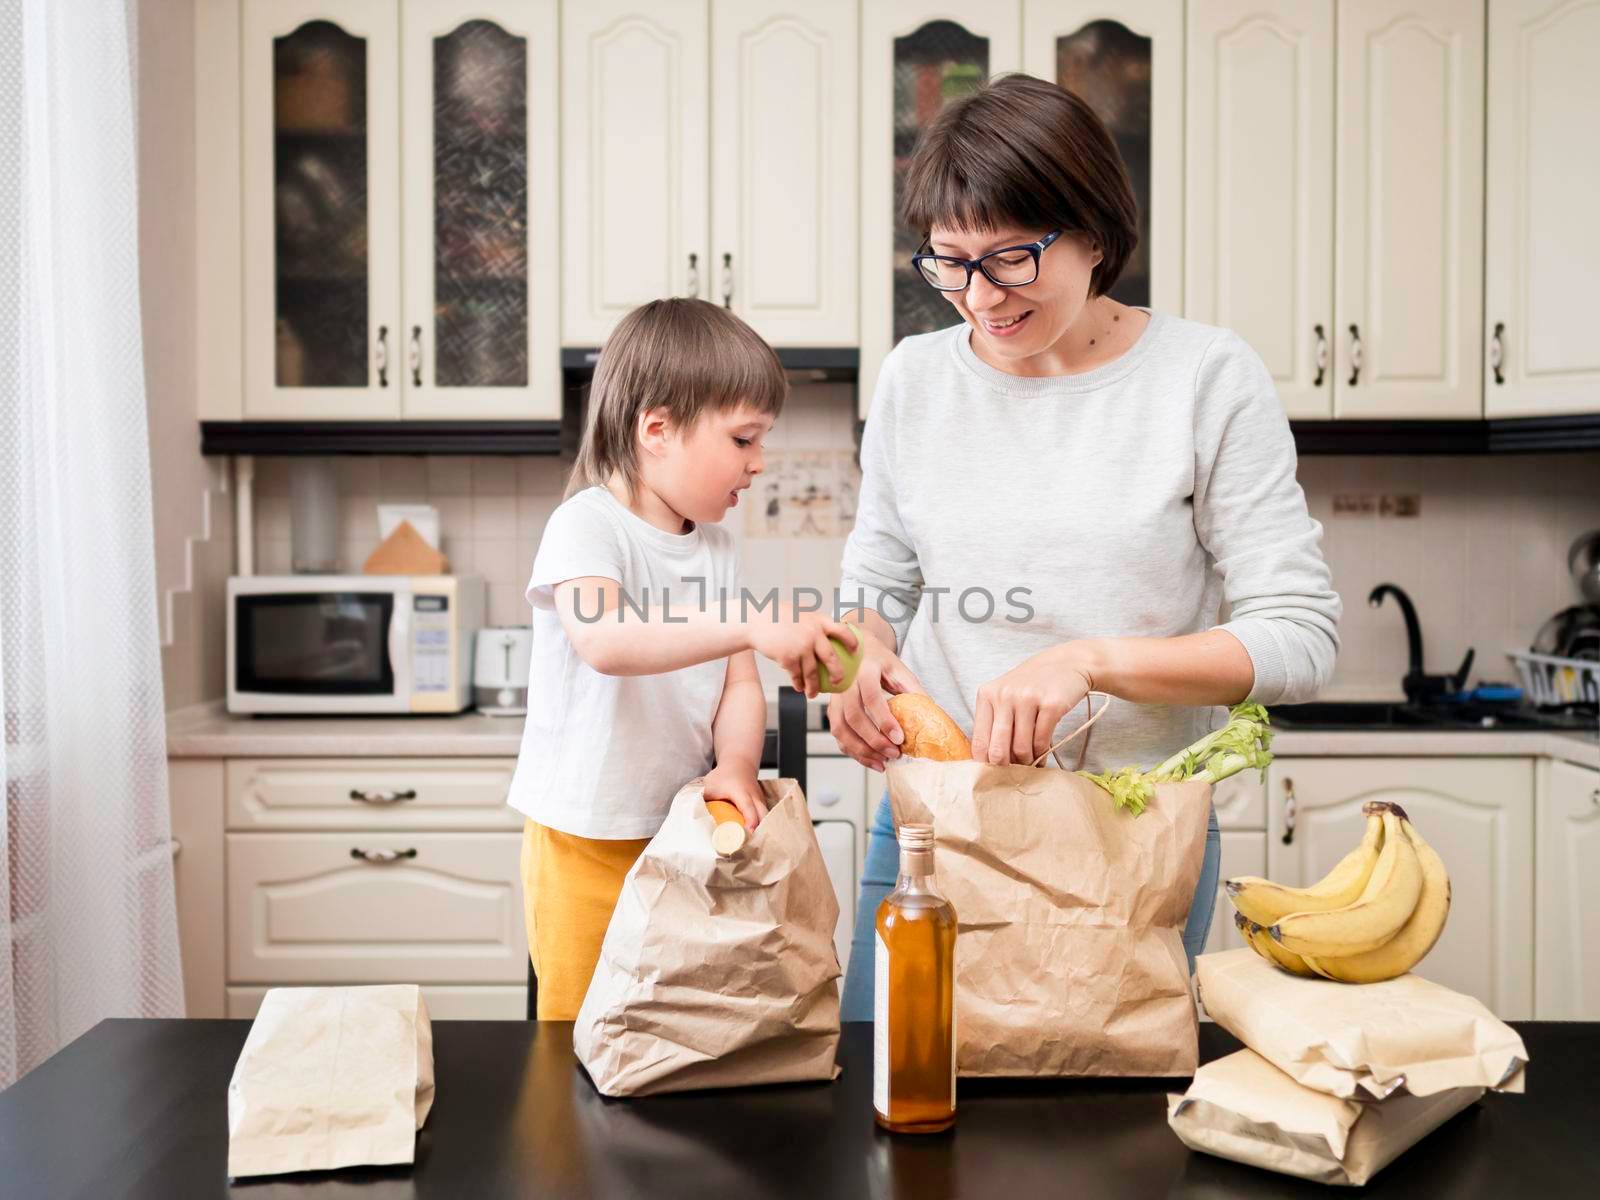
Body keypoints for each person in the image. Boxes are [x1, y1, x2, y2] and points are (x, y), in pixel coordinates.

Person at [830, 75, 1341, 1020]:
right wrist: (859, 658)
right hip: (935, 826)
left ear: (1096, 234)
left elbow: (1301, 637)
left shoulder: (1203, 376)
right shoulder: (914, 379)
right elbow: (879, 581)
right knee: (887, 1100)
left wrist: (1089, 663)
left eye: (1012, 258)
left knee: (1104, 1147)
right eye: (949, 262)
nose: (979, 297)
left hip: (1131, 841)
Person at [508, 298, 858, 1019]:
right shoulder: (587, 525)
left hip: (683, 835)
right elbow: (605, 642)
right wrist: (751, 620)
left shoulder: (717, 548)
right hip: (585, 839)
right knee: (580, 1034)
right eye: (743, 439)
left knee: (666, 1027)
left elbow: (737, 686)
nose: (759, 463)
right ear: (658, 429)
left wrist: (733, 765)